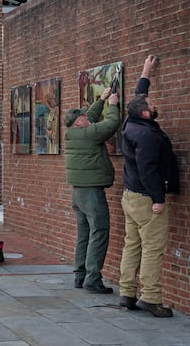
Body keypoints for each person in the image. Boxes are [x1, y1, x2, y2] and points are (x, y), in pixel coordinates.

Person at [118, 55, 180, 317]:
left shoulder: (130, 123)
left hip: (130, 196)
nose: (155, 106)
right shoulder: (146, 135)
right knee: (153, 249)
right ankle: (151, 298)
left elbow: (138, 95)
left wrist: (146, 71)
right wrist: (158, 198)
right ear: (146, 113)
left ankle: (127, 293)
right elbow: (148, 169)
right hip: (146, 198)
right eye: (152, 105)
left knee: (132, 245)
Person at [63, 86, 121, 294]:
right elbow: (112, 124)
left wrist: (102, 99)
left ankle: (80, 275)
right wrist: (113, 105)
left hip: (78, 192)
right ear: (79, 122)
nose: (87, 117)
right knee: (99, 232)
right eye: (83, 117)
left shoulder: (73, 133)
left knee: (84, 234)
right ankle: (93, 279)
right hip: (91, 193)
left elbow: (90, 116)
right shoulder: (88, 134)